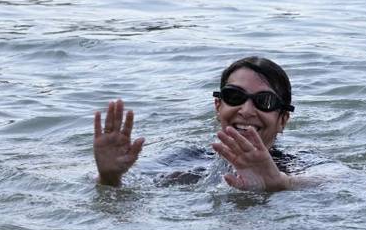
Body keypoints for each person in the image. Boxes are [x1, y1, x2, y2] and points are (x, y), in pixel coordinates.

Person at [93, 56, 311, 192]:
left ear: (282, 119)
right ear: (218, 106)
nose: (245, 110)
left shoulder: (299, 167)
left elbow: (336, 180)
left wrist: (280, 184)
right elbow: (131, 195)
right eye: (234, 96)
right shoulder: (187, 162)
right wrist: (109, 177)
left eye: (264, 101)